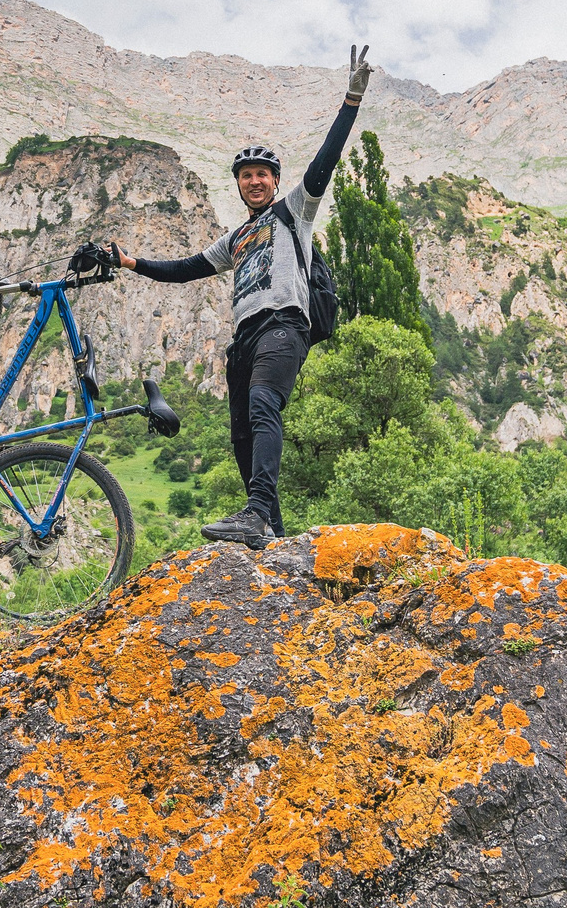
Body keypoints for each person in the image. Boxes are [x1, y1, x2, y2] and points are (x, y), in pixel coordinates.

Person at [111, 45, 373, 549]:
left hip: (284, 325)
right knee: (242, 437)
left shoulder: (294, 212)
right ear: (238, 185)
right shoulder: (235, 239)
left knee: (262, 405)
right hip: (246, 338)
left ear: (275, 181)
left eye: (263, 174)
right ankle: (270, 530)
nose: (255, 181)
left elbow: (326, 162)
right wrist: (131, 262)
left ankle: (255, 515)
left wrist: (350, 102)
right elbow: (186, 269)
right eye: (246, 176)